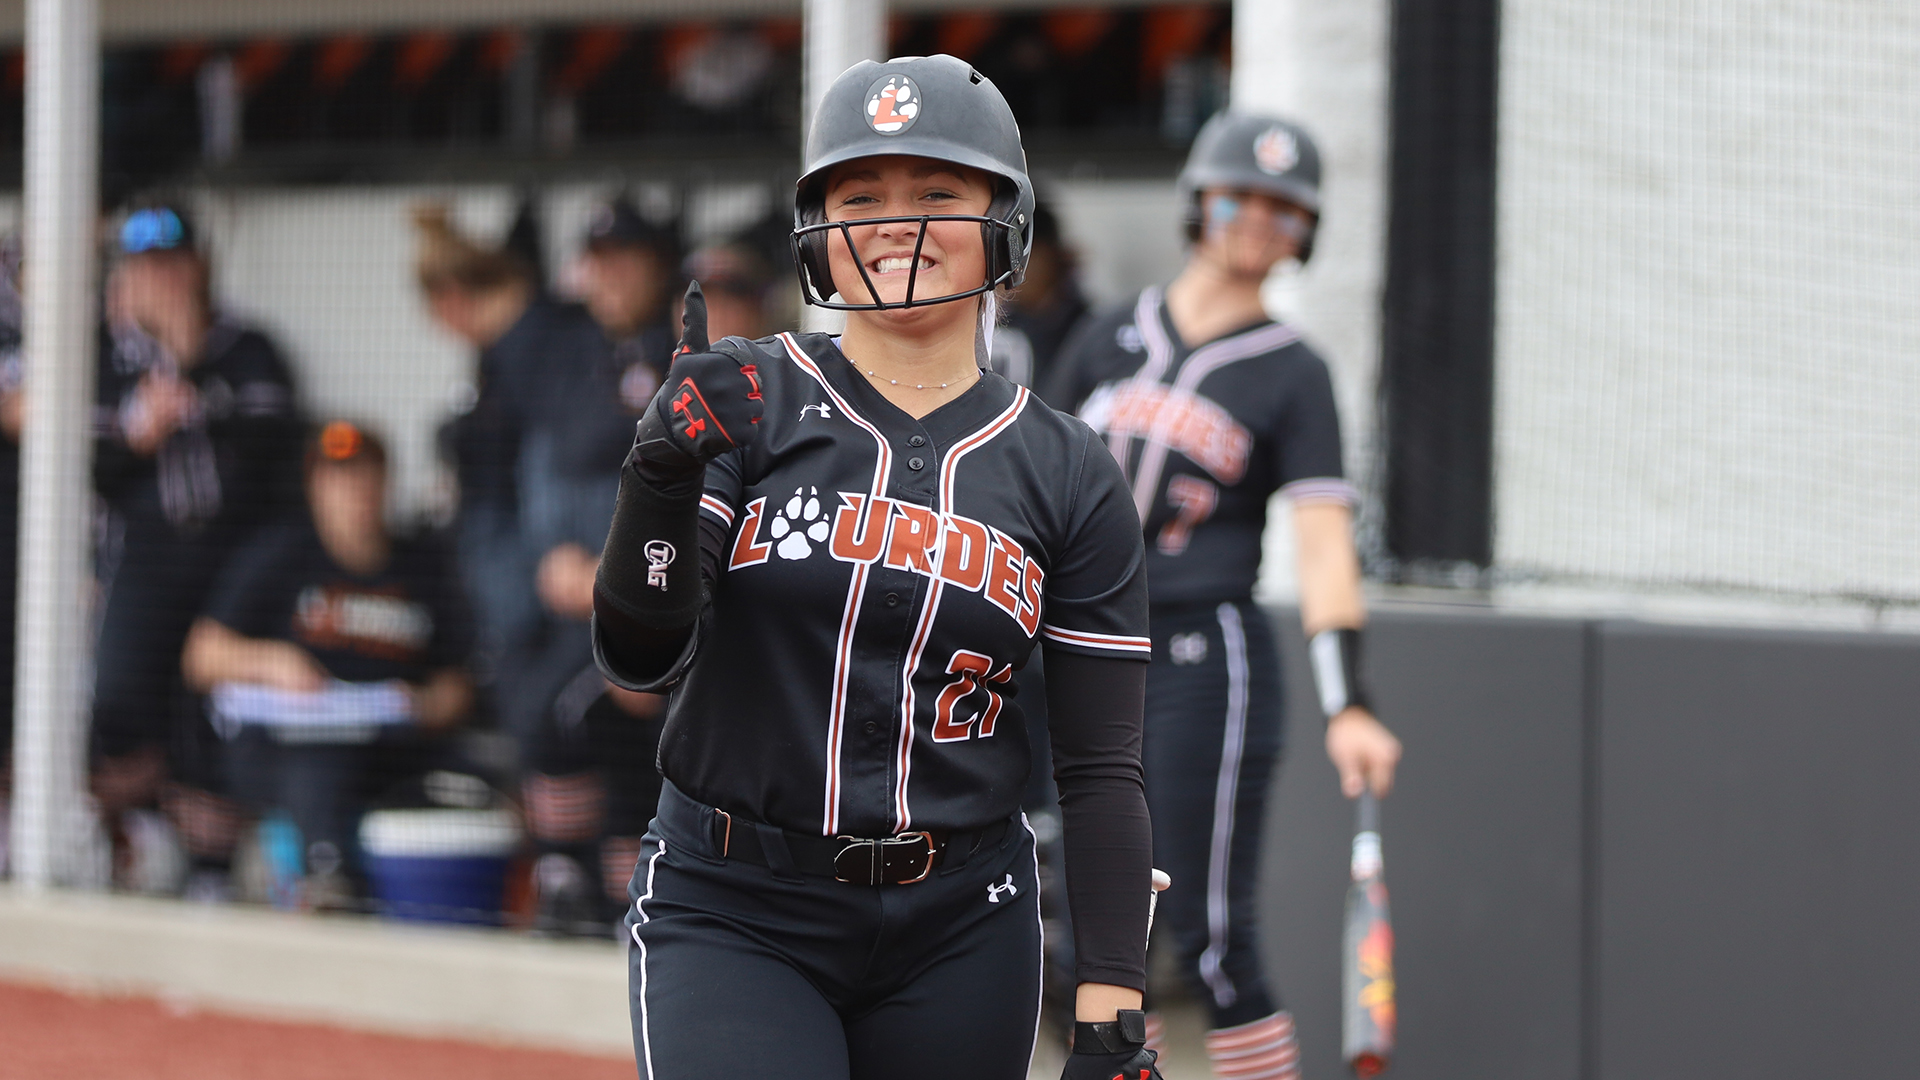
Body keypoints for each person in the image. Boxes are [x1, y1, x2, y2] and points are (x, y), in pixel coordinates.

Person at [592, 55, 1165, 1080]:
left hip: (963, 923)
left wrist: (1112, 1014)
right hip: (736, 906)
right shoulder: (747, 395)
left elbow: (1101, 764)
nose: (896, 222)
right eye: (861, 196)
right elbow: (639, 653)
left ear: (1005, 219)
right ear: (819, 229)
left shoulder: (1071, 470)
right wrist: (660, 476)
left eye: (938, 192)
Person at [1046, 112, 1405, 1078]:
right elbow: (1031, 490)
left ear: (1305, 231)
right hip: (1078, 657)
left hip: (1206, 662)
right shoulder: (1109, 331)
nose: (1257, 220)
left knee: (1206, 938)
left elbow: (1324, 547)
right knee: (1088, 933)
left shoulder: (1295, 373)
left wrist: (1352, 702)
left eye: (1285, 209)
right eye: (1241, 195)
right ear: (1199, 201)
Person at [92, 202, 305, 894]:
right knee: (121, 696)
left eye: (171, 264)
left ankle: (212, 868)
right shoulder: (105, 356)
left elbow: (277, 437)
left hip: (235, 555)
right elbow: (90, 467)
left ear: (198, 267)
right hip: (146, 554)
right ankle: (149, 831)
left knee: (207, 709)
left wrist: (192, 369)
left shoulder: (246, 344)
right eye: (144, 267)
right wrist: (136, 431)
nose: (159, 278)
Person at [181, 421, 474, 898]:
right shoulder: (280, 553)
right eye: (339, 479)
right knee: (318, 765)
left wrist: (420, 704)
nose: (354, 492)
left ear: (385, 484)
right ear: (315, 487)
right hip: (287, 745)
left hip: (391, 745)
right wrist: (274, 662)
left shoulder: (422, 564)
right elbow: (201, 656)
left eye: (364, 477)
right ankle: (327, 885)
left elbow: (458, 684)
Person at [1001, 201, 1090, 398]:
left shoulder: (1086, 326)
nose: (1015, 268)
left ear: (1053, 254)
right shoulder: (999, 325)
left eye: (1026, 256)